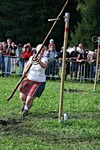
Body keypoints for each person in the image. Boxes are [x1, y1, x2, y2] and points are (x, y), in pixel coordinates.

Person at [18, 44, 48, 117]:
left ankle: (26, 109)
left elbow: (44, 66)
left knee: (29, 98)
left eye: (43, 50)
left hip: (39, 82)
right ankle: (26, 104)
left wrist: (39, 61)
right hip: (29, 79)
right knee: (22, 97)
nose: (41, 52)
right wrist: (24, 72)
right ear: (37, 50)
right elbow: (27, 65)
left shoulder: (45, 59)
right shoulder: (32, 57)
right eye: (40, 50)